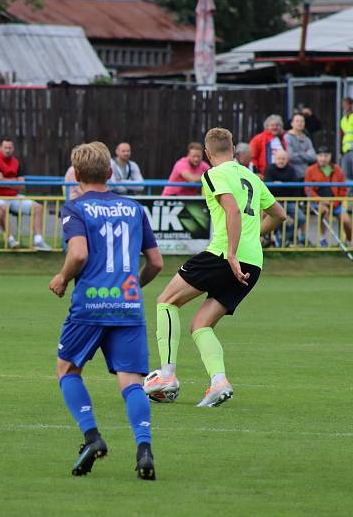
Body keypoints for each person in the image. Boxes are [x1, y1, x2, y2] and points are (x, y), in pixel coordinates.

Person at [144, 128, 286, 407]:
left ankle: (167, 377)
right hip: (253, 262)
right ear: (233, 149)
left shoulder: (213, 174)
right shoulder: (251, 177)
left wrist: (231, 254)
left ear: (208, 154)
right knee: (201, 325)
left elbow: (232, 211)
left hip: (224, 255)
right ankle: (219, 382)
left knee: (166, 301)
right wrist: (252, 238)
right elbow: (279, 215)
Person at [49, 141, 163, 479]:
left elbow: (79, 254)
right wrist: (130, 289)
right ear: (111, 172)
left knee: (67, 369)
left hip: (90, 305)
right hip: (127, 306)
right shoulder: (134, 208)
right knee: (132, 382)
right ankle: (144, 449)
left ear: (77, 175)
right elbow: (156, 263)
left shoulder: (75, 208)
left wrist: (61, 277)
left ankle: (92, 436)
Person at [0, 137, 52, 251]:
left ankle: (38, 240)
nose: (8, 150)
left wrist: (7, 182)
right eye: (5, 147)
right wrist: (14, 181)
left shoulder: (16, 162)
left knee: (38, 207)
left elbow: (22, 185)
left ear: (13, 149)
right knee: (3, 208)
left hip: (13, 196)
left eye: (10, 148)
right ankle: (10, 239)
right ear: (0, 148)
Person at [304, 146, 352, 246]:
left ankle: (348, 240)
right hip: (319, 202)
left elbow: (343, 189)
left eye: (326, 156)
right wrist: (320, 200)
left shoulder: (337, 169)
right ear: (317, 157)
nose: (323, 158)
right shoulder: (310, 170)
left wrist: (334, 202)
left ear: (330, 156)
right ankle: (323, 238)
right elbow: (308, 189)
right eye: (320, 156)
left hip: (336, 202)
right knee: (323, 212)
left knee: (347, 221)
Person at [264, 150, 305, 246]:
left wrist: (279, 184)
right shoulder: (270, 169)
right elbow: (267, 185)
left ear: (287, 160)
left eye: (283, 159)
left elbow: (295, 186)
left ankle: (285, 235)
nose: (281, 161)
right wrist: (284, 185)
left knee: (301, 218)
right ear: (274, 159)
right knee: (268, 217)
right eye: (279, 159)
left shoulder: (291, 170)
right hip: (273, 201)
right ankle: (270, 238)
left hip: (289, 201)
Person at [285, 113, 316, 178]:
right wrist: (305, 154)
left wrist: (298, 154)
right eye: (297, 121)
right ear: (292, 123)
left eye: (302, 121)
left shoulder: (307, 139)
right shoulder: (287, 137)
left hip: (305, 174)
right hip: (291, 174)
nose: (300, 123)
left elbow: (313, 157)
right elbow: (290, 156)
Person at [340, 98, 353, 179]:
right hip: (346, 151)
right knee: (346, 175)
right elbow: (342, 135)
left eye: (347, 104)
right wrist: (341, 152)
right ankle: (349, 192)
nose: (345, 106)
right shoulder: (343, 120)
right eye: (344, 105)